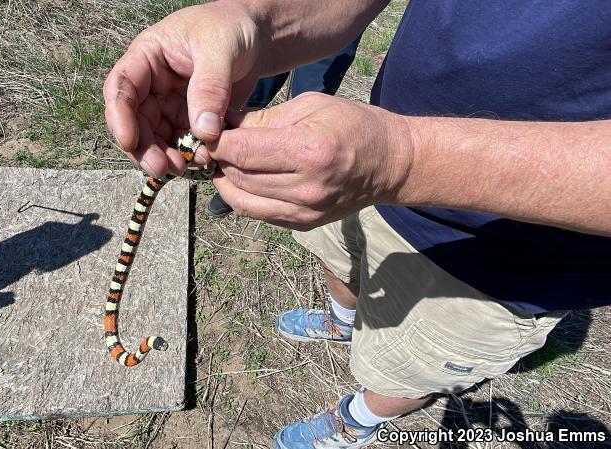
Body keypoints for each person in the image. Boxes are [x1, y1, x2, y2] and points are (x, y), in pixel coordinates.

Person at [103, 1, 611, 448]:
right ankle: (342, 321)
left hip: (512, 265)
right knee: (338, 257)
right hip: (357, 161)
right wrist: (256, 19)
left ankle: (358, 421)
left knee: (405, 370)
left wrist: (402, 160)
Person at [207, 38, 362, 217]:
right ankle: (234, 176)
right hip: (279, 24)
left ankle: (269, 183)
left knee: (306, 108)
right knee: (249, 95)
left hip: (338, 27)